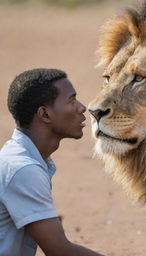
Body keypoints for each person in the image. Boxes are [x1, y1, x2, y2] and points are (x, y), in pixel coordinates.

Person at [0, 68, 105, 256]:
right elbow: (59, 251)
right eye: (72, 100)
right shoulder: (23, 169)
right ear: (45, 114)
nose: (82, 108)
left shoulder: (22, 159)